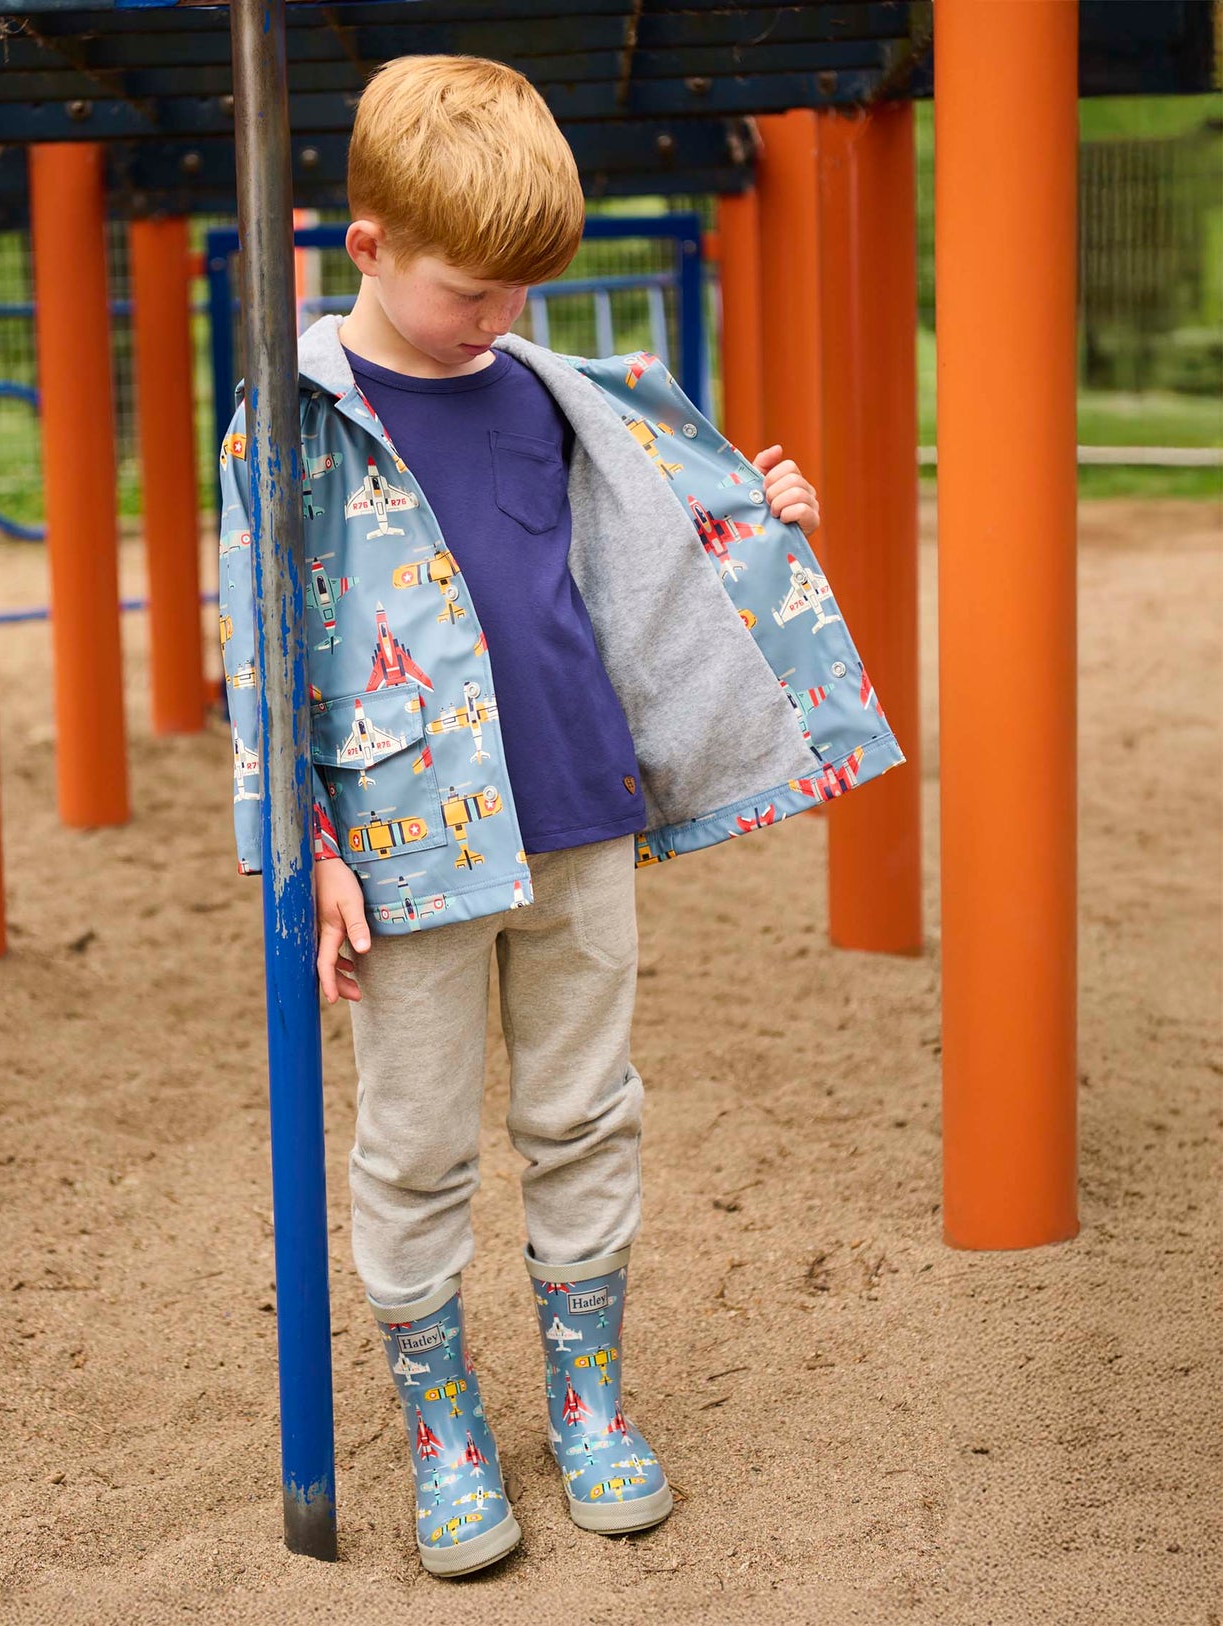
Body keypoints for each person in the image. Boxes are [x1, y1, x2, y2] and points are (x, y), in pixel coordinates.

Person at [218, 55, 902, 1578]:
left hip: (576, 818)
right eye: (470, 290)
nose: (496, 319)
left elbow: (652, 549)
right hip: (406, 850)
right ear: (368, 246)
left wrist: (756, 520)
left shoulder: (548, 392)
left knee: (585, 1108)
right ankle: (446, 1423)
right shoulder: (293, 422)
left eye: (523, 292)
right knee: (412, 1143)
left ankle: (586, 1399)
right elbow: (260, 665)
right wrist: (308, 854)